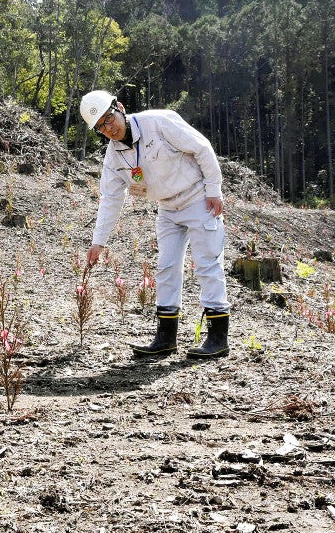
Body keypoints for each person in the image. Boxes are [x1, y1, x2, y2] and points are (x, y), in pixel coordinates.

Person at [80, 90, 230, 359]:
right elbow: (110, 199)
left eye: (109, 118)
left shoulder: (158, 122)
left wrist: (213, 189)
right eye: (100, 126)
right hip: (167, 208)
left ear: (120, 108)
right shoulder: (114, 158)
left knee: (207, 264)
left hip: (197, 198)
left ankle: (217, 337)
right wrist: (98, 242)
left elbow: (202, 147)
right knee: (167, 267)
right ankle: (166, 338)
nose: (108, 128)